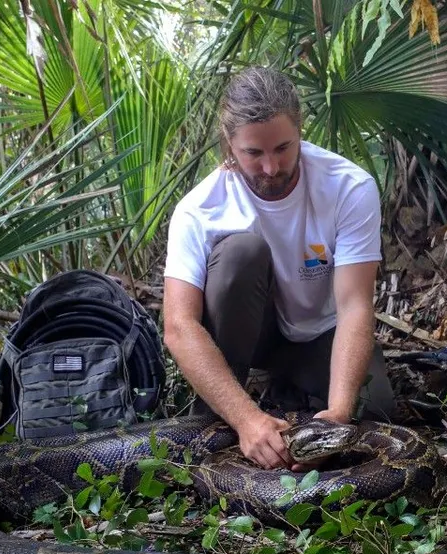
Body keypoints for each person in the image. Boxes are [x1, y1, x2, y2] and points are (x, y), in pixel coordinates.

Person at [162, 66, 396, 471]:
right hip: (252, 339)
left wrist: (338, 415)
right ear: (229, 145)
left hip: (318, 333)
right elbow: (179, 326)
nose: (271, 168)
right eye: (254, 153)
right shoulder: (198, 209)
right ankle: (215, 417)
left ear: (300, 130)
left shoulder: (349, 187)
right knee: (240, 255)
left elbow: (355, 307)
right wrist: (245, 419)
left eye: (283, 148)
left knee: (376, 412)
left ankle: (289, 390)